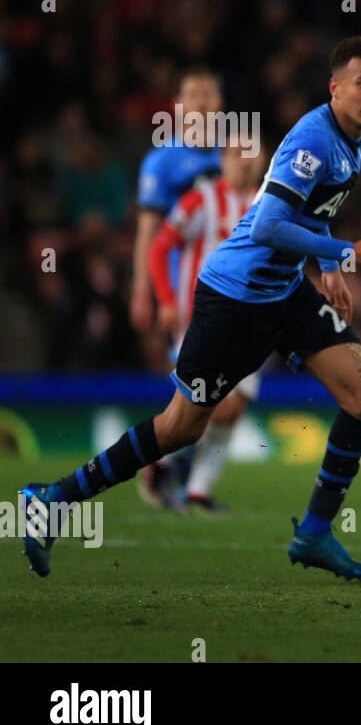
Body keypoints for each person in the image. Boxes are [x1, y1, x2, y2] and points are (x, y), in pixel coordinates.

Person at [21, 37, 361, 582]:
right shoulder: (314, 140)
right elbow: (269, 224)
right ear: (335, 87)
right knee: (181, 428)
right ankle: (54, 499)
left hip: (286, 291)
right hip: (233, 298)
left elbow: (307, 213)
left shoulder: (356, 138)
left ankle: (314, 533)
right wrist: (347, 252)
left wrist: (326, 267)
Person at [144, 138, 266, 511]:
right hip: (203, 319)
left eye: (253, 154)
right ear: (223, 159)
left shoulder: (268, 203)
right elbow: (161, 246)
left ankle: (197, 489)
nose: (245, 162)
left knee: (234, 408)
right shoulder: (201, 199)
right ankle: (161, 460)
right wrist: (165, 297)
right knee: (206, 406)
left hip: (253, 324)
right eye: (237, 154)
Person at [130, 67, 224, 505]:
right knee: (200, 392)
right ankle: (165, 466)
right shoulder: (163, 161)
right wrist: (144, 291)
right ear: (179, 107)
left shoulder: (232, 157)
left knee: (213, 393)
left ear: (220, 106)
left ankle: (167, 467)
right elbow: (149, 233)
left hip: (230, 289)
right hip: (183, 290)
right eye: (193, 96)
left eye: (209, 95)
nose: (202, 103)